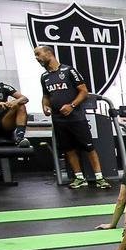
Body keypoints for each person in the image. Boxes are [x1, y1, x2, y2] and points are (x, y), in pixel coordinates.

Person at [33, 45, 111, 189]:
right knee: (68, 149)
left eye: (38, 54)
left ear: (49, 53)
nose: (36, 58)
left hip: (76, 117)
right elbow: (46, 96)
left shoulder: (69, 70)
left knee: (89, 147)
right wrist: (45, 106)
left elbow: (83, 91)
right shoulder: (44, 77)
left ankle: (100, 178)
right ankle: (79, 178)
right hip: (58, 119)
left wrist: (72, 106)